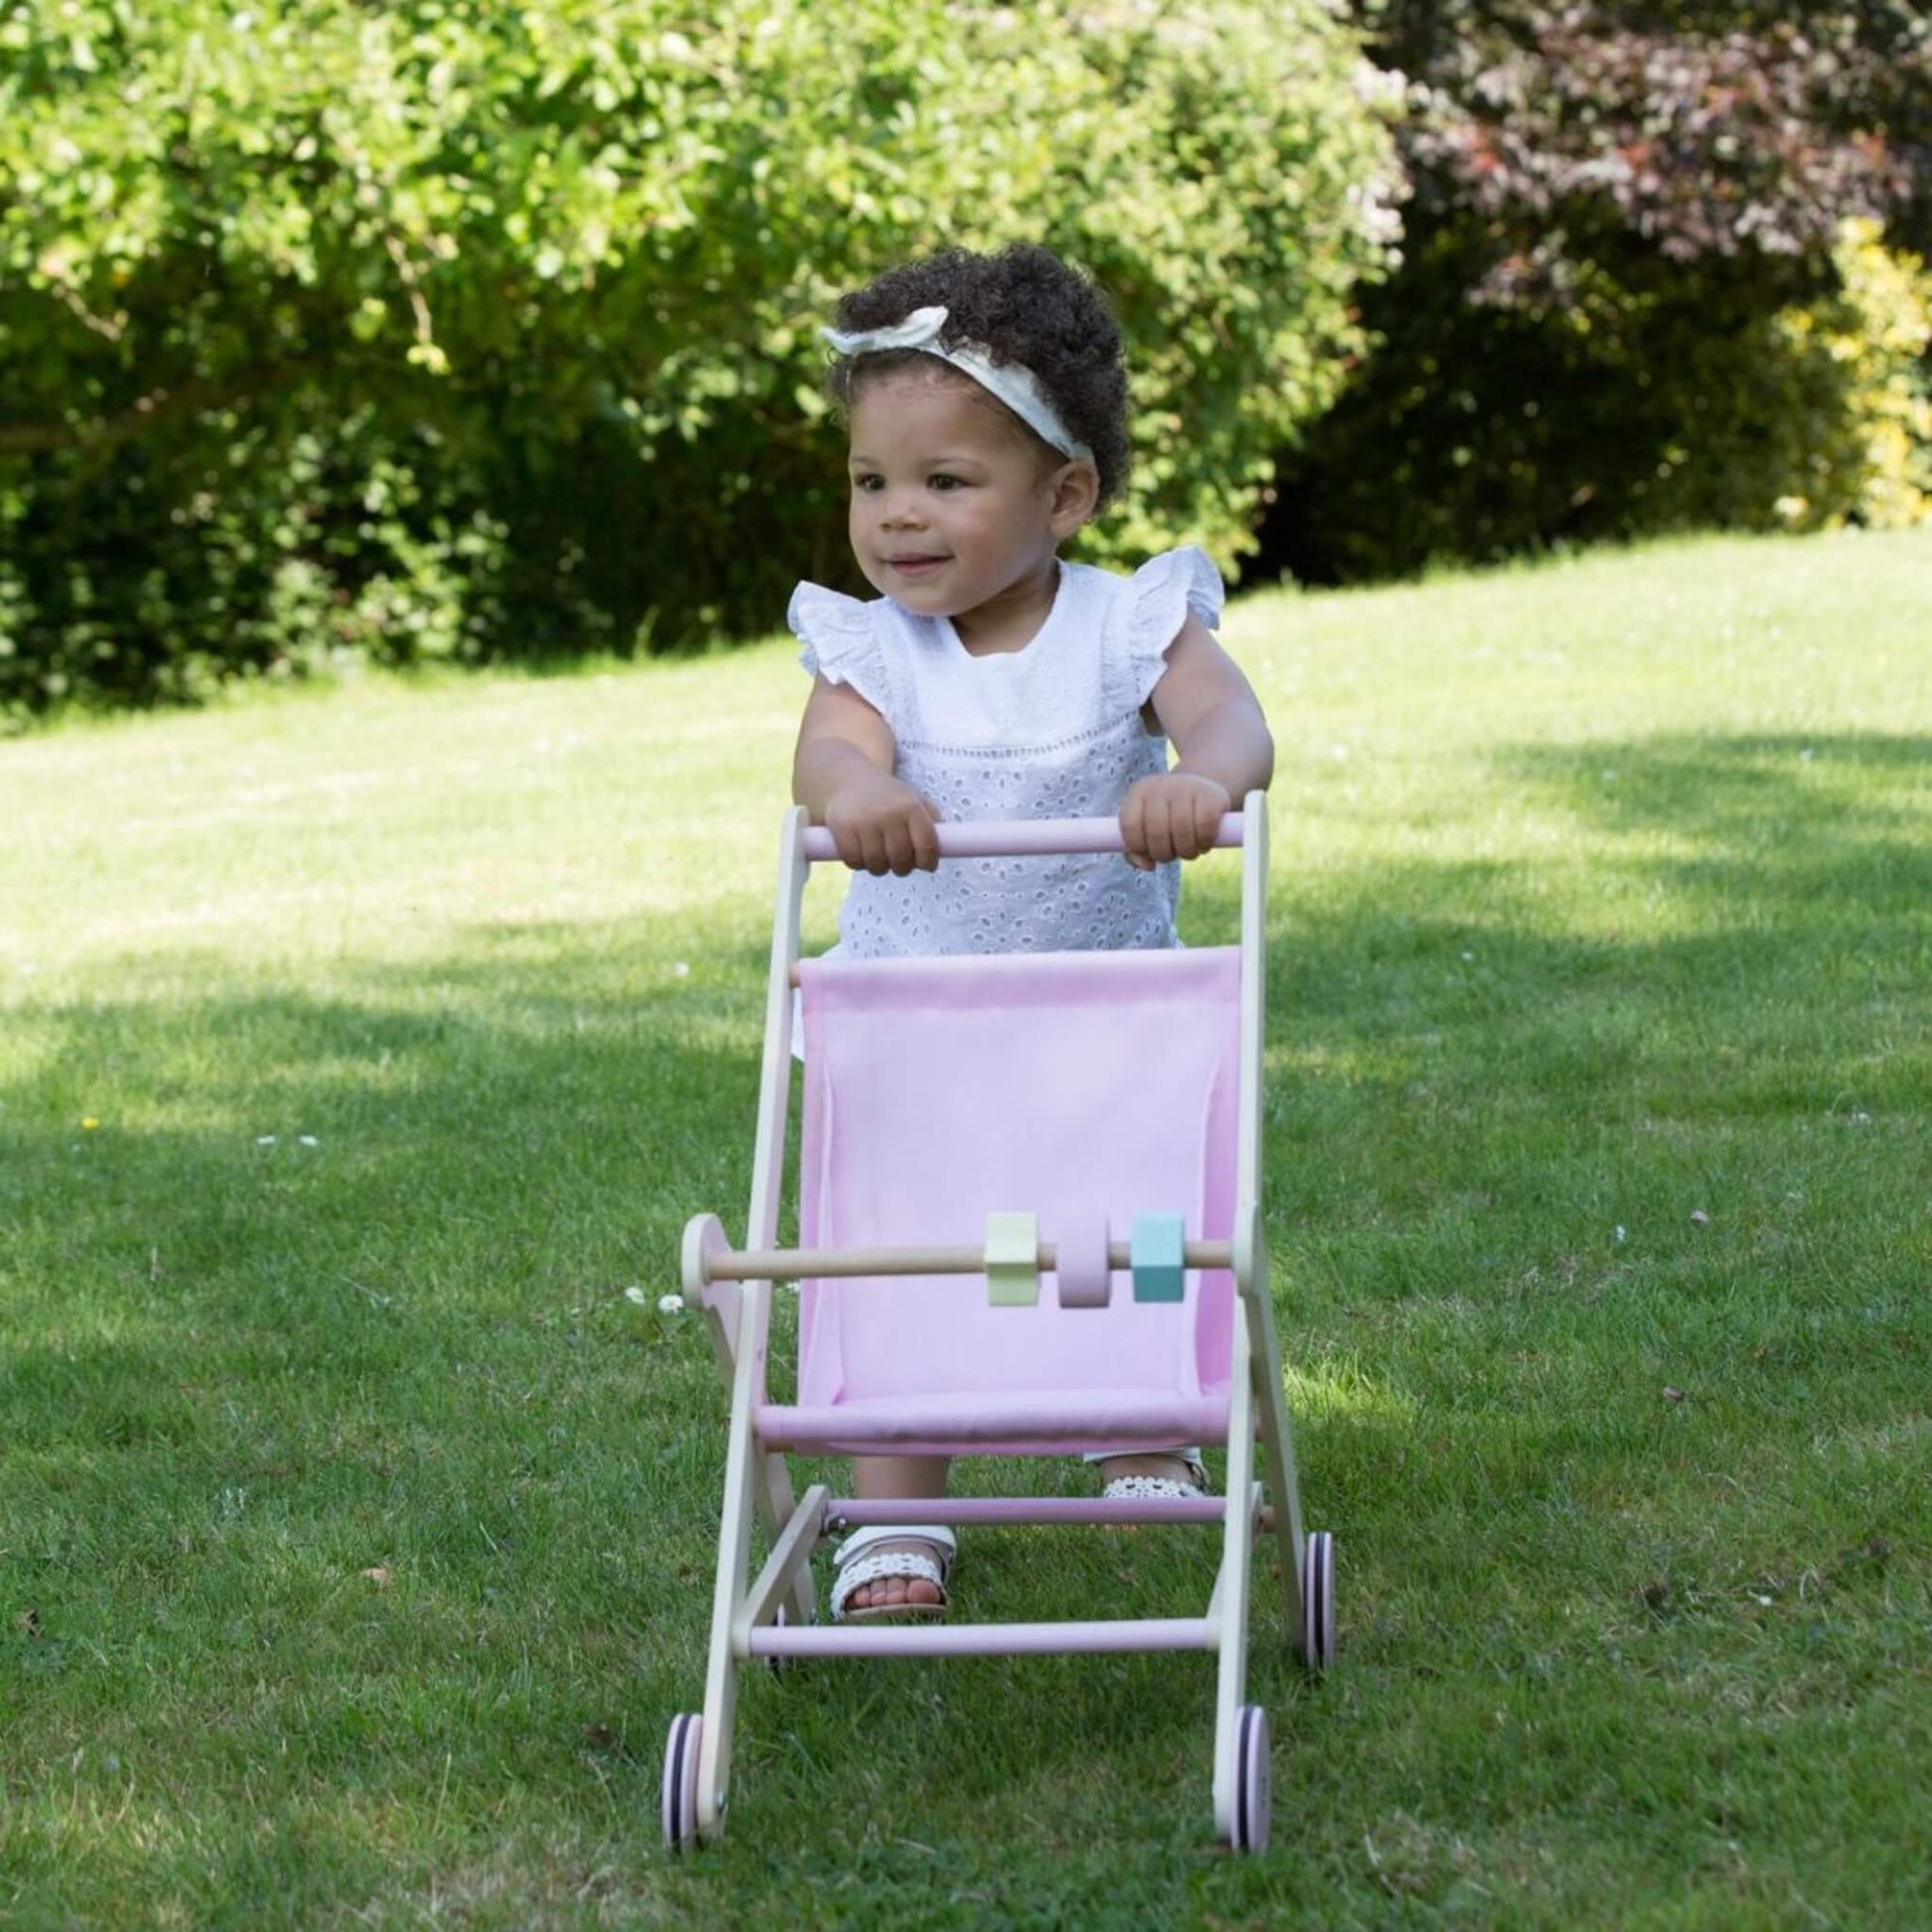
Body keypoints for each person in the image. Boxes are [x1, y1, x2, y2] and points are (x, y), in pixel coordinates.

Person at [788, 242, 1275, 1618]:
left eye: (946, 482)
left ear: (1063, 496)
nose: (897, 517)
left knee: (1123, 1223)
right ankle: (894, 1509)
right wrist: (860, 788)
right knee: (897, 1244)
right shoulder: (870, 650)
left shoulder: (1128, 625)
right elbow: (823, 758)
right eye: (872, 482)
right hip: (912, 1028)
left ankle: (1140, 1435)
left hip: (1100, 1025)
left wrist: (1200, 778)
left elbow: (1233, 722)